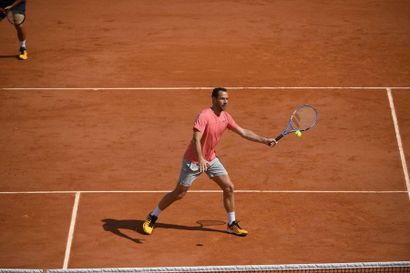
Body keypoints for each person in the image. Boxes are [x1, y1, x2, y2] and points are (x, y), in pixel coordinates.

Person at [142, 87, 277, 236]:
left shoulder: (226, 117)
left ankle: (231, 224)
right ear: (213, 99)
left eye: (227, 99)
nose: (225, 101)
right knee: (179, 193)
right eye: (222, 98)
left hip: (211, 159)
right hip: (193, 160)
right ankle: (152, 216)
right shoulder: (204, 115)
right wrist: (200, 159)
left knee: (229, 187)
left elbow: (243, 132)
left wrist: (264, 140)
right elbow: (196, 139)